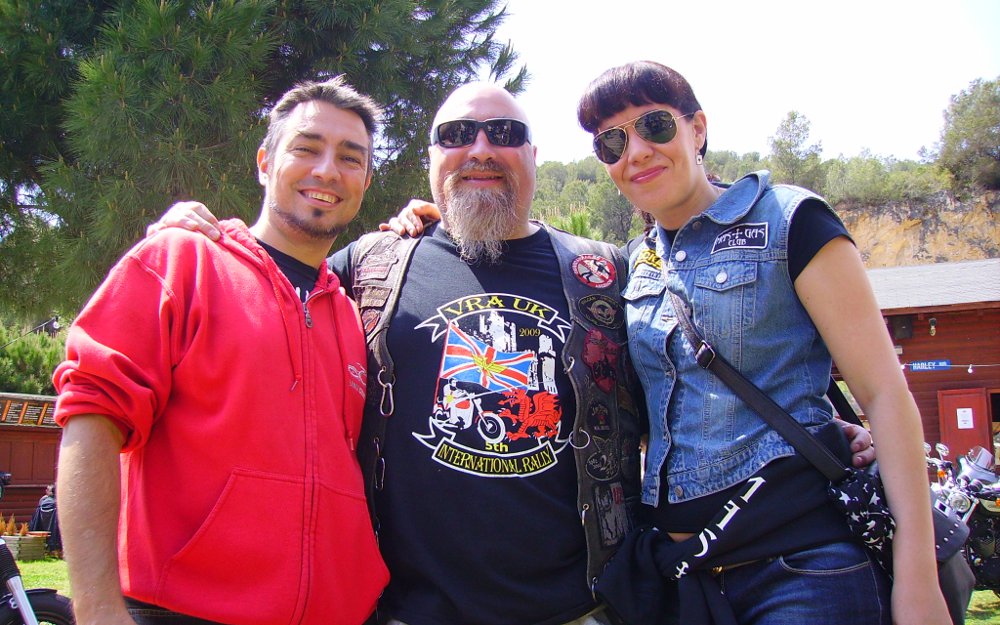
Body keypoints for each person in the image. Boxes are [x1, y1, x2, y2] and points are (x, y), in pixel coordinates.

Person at [153, 82, 875, 625]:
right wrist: (209, 235)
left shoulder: (606, 272)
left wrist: (819, 427)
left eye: (504, 133)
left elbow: (682, 381)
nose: (480, 148)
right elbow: (273, 298)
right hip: (405, 611)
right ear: (431, 159)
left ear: (533, 156)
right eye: (456, 133)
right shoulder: (370, 266)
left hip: (582, 609)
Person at [574, 60, 950, 625]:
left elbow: (885, 395)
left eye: (654, 126)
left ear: (698, 128)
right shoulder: (635, 264)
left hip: (802, 570)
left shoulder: (791, 220)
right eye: (612, 142)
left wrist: (917, 579)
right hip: (687, 579)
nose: (637, 152)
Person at [53, 76, 389, 625]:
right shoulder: (181, 261)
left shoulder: (352, 316)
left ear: (366, 181)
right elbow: (91, 418)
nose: (328, 170)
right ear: (264, 162)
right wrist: (96, 609)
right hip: (180, 609)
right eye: (306, 148)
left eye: (350, 158)